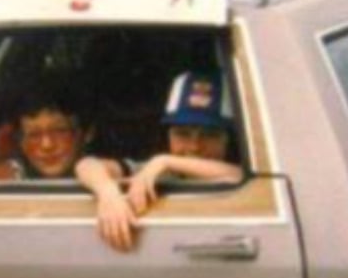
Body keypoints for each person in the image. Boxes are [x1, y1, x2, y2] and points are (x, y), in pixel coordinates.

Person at [75, 70, 244, 252]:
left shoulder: (162, 166)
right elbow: (87, 164)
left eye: (210, 135)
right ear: (168, 135)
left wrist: (166, 161)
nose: (195, 146)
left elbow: (238, 175)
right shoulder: (155, 171)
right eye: (183, 134)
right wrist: (107, 192)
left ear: (229, 139)